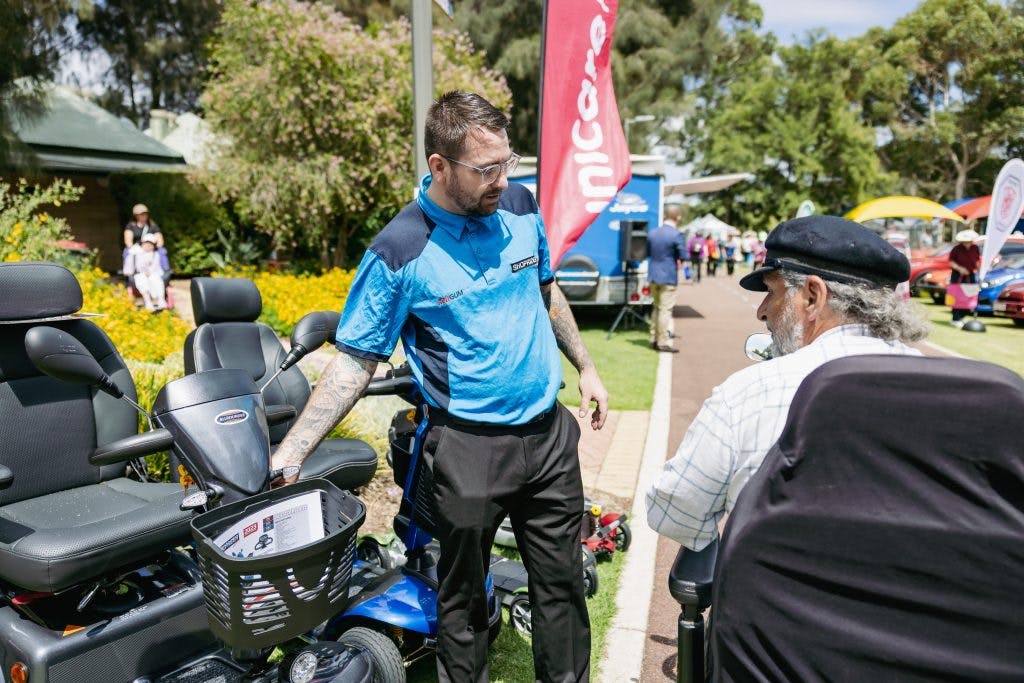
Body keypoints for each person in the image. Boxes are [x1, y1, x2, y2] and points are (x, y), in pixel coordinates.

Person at [271, 91, 608, 683]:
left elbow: (545, 291)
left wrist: (587, 365)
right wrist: (294, 449)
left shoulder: (521, 206)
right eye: (485, 170)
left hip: (549, 437)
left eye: (507, 162)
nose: (501, 180)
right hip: (468, 448)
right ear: (439, 167)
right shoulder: (399, 250)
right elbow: (355, 360)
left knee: (562, 589)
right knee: (463, 604)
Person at [646, 215, 929, 551]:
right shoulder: (950, 395)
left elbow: (673, 512)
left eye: (771, 292)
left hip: (772, 602)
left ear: (812, 297)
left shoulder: (750, 393)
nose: (762, 311)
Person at [647, 206, 687, 353]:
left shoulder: (652, 233)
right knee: (665, 310)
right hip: (668, 276)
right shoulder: (677, 234)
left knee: (656, 308)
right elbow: (683, 255)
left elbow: (648, 252)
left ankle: (653, 338)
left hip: (653, 275)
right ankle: (662, 342)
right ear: (678, 218)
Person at [124, 233, 167, 310]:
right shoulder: (134, 253)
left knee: (156, 280)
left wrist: (149, 272)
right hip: (138, 274)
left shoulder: (155, 255)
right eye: (146, 243)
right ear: (142, 243)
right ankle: (148, 302)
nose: (148, 246)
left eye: (151, 244)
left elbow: (156, 267)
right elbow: (129, 266)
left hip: (152, 274)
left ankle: (160, 300)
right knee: (142, 280)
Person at [948, 229, 981, 328]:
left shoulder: (975, 248)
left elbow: (976, 261)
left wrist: (980, 271)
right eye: (965, 242)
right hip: (958, 276)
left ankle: (962, 316)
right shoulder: (956, 249)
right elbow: (951, 262)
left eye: (969, 242)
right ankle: (955, 318)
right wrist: (960, 268)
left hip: (970, 276)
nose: (967, 244)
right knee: (957, 296)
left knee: (969, 296)